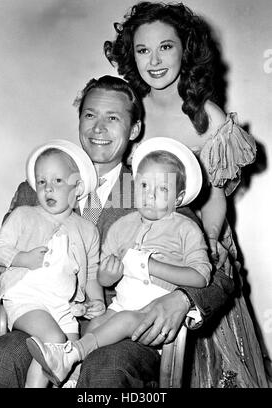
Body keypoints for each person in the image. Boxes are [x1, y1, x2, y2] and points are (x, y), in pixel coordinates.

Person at [0, 75, 235, 388]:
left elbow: (221, 276)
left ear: (134, 129)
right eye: (90, 115)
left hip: (123, 330)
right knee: (4, 354)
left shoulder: (155, 188)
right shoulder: (37, 187)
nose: (98, 128)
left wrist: (182, 299)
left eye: (112, 118)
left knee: (106, 367)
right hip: (44, 318)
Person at [103, 2, 269, 387]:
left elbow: (215, 196)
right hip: (146, 237)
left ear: (186, 50)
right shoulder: (134, 110)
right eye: (143, 50)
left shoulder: (205, 114)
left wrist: (208, 245)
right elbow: (127, 187)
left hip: (196, 238)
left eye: (166, 47)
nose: (155, 60)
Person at [26, 138, 212, 387]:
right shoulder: (122, 226)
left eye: (162, 189)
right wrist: (109, 276)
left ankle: (72, 356)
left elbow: (202, 276)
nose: (151, 195)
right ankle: (73, 374)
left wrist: (150, 266)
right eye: (144, 185)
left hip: (152, 316)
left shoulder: (185, 228)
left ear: (178, 198)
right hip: (120, 305)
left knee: (123, 320)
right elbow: (101, 277)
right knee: (96, 324)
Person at [0, 140, 105, 387]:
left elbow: (92, 276)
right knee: (53, 339)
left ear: (78, 187)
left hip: (64, 309)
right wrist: (23, 259)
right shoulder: (24, 215)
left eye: (57, 181)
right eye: (42, 182)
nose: (48, 189)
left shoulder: (87, 230)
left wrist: (97, 303)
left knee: (72, 364)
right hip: (27, 299)